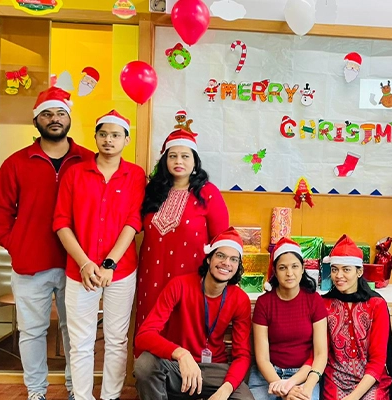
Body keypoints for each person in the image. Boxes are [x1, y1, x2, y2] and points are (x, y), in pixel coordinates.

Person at [0, 87, 92, 400]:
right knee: (32, 331)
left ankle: (76, 388)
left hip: (77, 264)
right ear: (37, 121)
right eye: (47, 114)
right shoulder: (16, 163)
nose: (54, 119)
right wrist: (15, 243)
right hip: (30, 263)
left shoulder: (88, 160)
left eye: (60, 113)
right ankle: (36, 391)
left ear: (69, 118)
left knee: (75, 332)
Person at [53, 110, 146, 400]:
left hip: (121, 270)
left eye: (115, 135)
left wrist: (109, 264)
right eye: (103, 134)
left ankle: (110, 396)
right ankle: (82, 397)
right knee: (81, 341)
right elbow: (61, 222)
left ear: (126, 140)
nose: (109, 140)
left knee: (116, 340)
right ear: (95, 137)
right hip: (80, 270)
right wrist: (84, 263)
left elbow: (134, 221)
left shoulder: (135, 175)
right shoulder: (75, 173)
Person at [133, 227, 254, 400]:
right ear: (209, 259)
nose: (226, 263)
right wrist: (181, 353)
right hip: (178, 367)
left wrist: (225, 391)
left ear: (238, 266)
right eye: (220, 256)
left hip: (214, 370)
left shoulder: (240, 299)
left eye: (233, 259)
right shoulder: (179, 285)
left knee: (245, 397)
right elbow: (144, 335)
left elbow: (242, 355)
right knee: (145, 364)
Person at [136, 128, 228, 336]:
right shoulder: (152, 191)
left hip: (191, 278)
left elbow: (222, 240)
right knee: (151, 329)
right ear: (165, 161)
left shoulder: (208, 193)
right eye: (173, 156)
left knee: (184, 330)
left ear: (195, 161)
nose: (179, 161)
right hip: (151, 277)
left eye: (185, 156)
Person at [249, 237, 328, 400]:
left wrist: (297, 385)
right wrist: (281, 387)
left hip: (303, 374)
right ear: (275, 271)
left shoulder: (314, 301)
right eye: (282, 268)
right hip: (268, 374)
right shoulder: (264, 303)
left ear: (303, 268)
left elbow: (320, 354)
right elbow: (262, 357)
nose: (289, 273)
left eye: (295, 266)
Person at [322, 234, 392, 400]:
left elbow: (378, 360)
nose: (339, 275)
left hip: (371, 379)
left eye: (346, 269)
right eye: (334, 269)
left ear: (359, 271)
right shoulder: (324, 304)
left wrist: (353, 397)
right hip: (335, 379)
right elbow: (321, 352)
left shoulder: (376, 305)